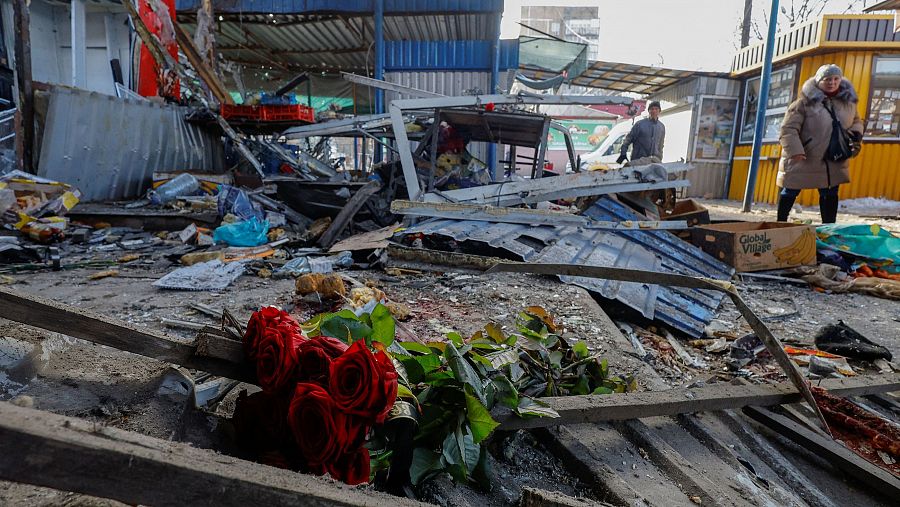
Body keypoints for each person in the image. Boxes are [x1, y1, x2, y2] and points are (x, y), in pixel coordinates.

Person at [777, 64, 863, 223]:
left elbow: (857, 121)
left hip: (833, 156)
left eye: (836, 78)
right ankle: (779, 223)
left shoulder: (848, 103)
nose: (832, 82)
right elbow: (788, 128)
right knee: (791, 189)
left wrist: (854, 135)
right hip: (804, 156)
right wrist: (795, 150)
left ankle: (829, 228)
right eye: (827, 79)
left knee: (830, 192)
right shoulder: (803, 103)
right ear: (818, 80)